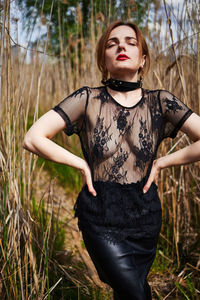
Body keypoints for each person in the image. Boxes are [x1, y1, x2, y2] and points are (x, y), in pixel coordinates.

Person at [23, 20, 200, 300]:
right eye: (112, 43)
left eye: (131, 42)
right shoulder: (87, 99)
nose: (121, 47)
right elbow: (33, 137)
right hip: (100, 215)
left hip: (146, 215)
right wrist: (80, 164)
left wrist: (163, 162)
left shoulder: (161, 102)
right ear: (103, 60)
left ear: (143, 60)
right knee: (135, 294)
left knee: (127, 292)